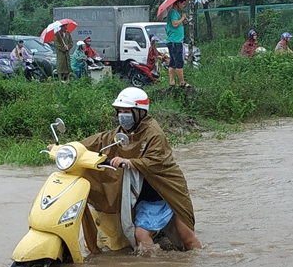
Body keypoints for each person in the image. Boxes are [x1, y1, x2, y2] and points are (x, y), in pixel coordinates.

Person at [80, 87, 203, 252]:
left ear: (139, 112)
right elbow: (100, 141)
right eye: (120, 111)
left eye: (127, 111)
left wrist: (130, 162)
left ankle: (193, 265)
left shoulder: (153, 132)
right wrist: (69, 149)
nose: (122, 115)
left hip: (166, 191)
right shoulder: (122, 133)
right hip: (142, 193)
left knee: (186, 237)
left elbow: (156, 161)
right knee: (141, 235)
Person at [165, 0, 192, 88]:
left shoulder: (175, 13)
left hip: (174, 41)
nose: (183, 6)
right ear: (177, 3)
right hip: (175, 42)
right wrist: (183, 18)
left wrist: (183, 21)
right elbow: (174, 24)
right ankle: (182, 83)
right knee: (179, 62)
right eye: (182, 4)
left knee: (172, 62)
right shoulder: (173, 12)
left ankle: (172, 82)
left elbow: (176, 24)